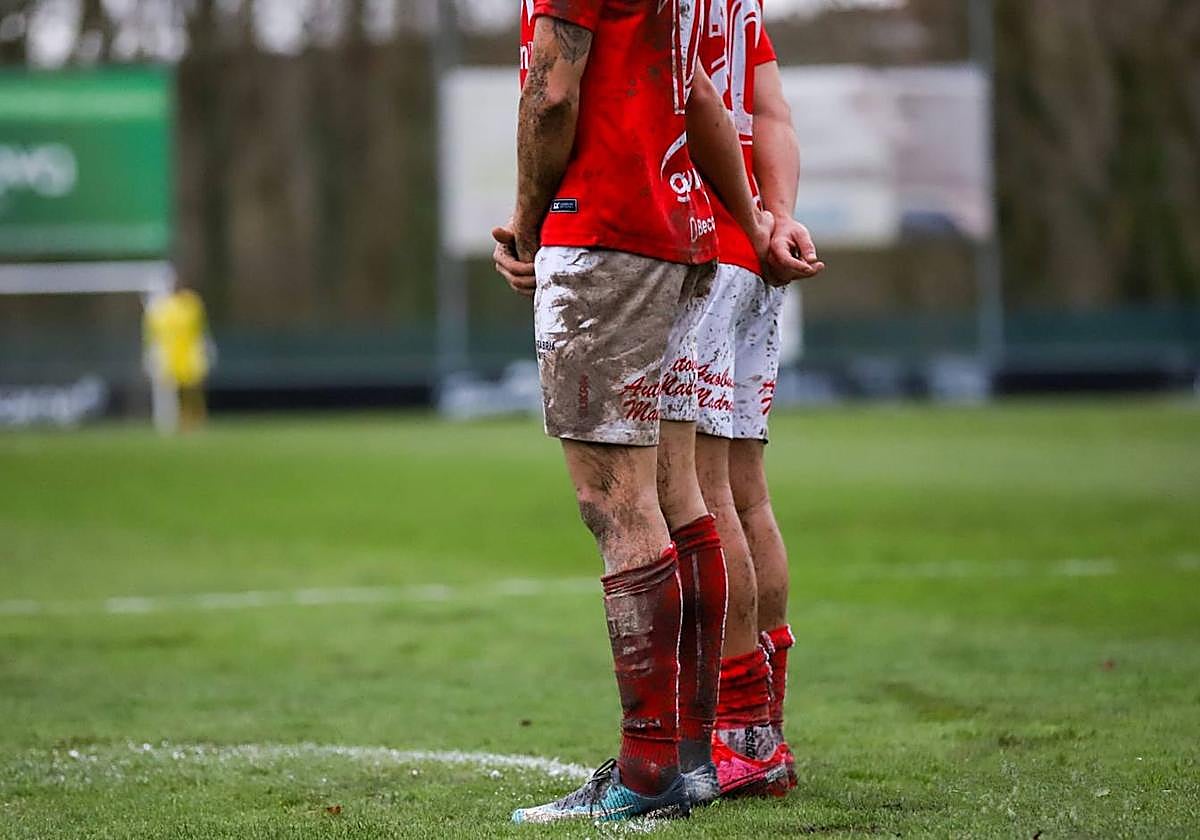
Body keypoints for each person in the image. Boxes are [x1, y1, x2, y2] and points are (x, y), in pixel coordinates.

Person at [494, 0, 771, 825]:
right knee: (678, 496)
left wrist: (531, 224)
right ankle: (689, 759)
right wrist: (749, 223)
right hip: (682, 232)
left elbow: (550, 92)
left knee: (616, 503)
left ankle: (648, 768)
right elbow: (698, 97)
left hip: (606, 230)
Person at [692, 0, 824, 797]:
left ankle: (737, 735)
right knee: (746, 491)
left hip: (693, 229)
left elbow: (689, 95)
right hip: (753, 241)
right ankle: (761, 732)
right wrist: (775, 217)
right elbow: (770, 109)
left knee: (697, 492)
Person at [143, 283, 214, 432]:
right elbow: (154, 332)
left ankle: (196, 417)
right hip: (171, 353)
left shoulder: (191, 304)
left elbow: (200, 328)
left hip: (190, 351)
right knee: (175, 387)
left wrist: (204, 346)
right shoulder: (163, 309)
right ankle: (179, 418)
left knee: (193, 386)